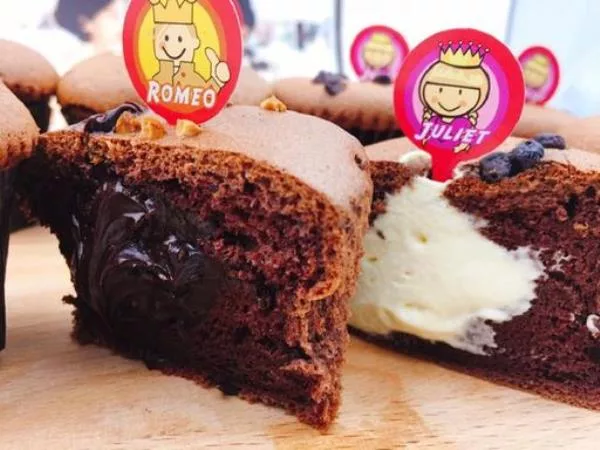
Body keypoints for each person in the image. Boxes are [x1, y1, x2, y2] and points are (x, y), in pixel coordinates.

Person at [417, 42, 491, 153]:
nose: (448, 100)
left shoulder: (465, 123)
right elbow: (425, 136)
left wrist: (460, 148)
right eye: (440, 89)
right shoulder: (433, 120)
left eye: (461, 92)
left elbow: (465, 142)